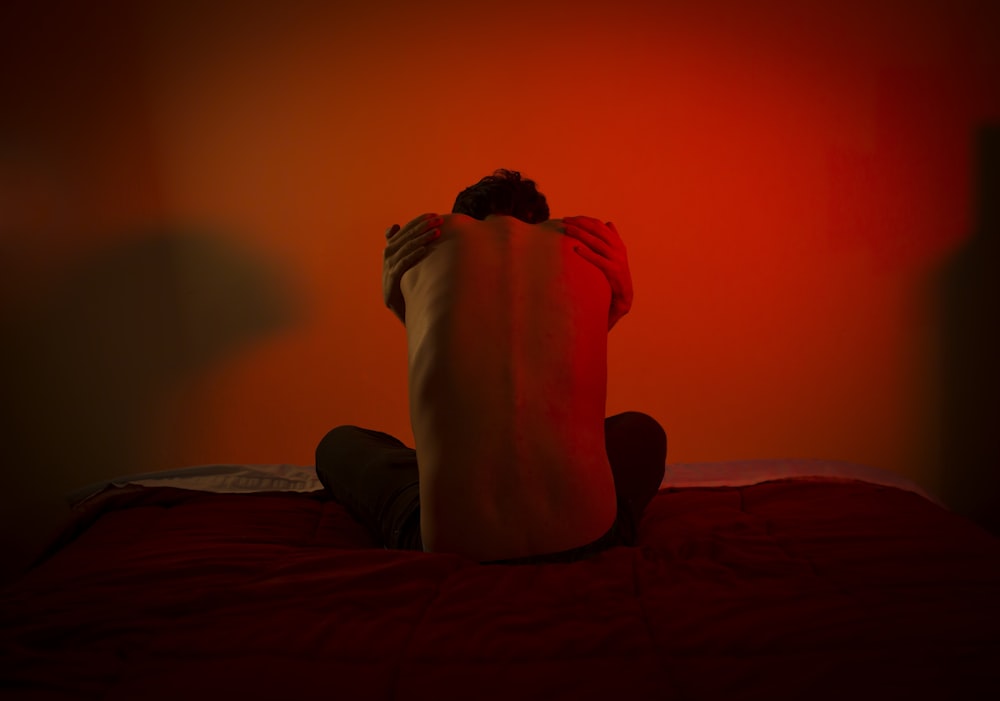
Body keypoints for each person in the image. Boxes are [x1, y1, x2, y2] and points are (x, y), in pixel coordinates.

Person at [316, 169, 666, 564]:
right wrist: (619, 304)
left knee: (340, 444)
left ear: (465, 218)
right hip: (588, 537)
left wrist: (396, 299)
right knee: (642, 430)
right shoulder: (578, 248)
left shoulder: (431, 244)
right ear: (538, 222)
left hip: (452, 542)